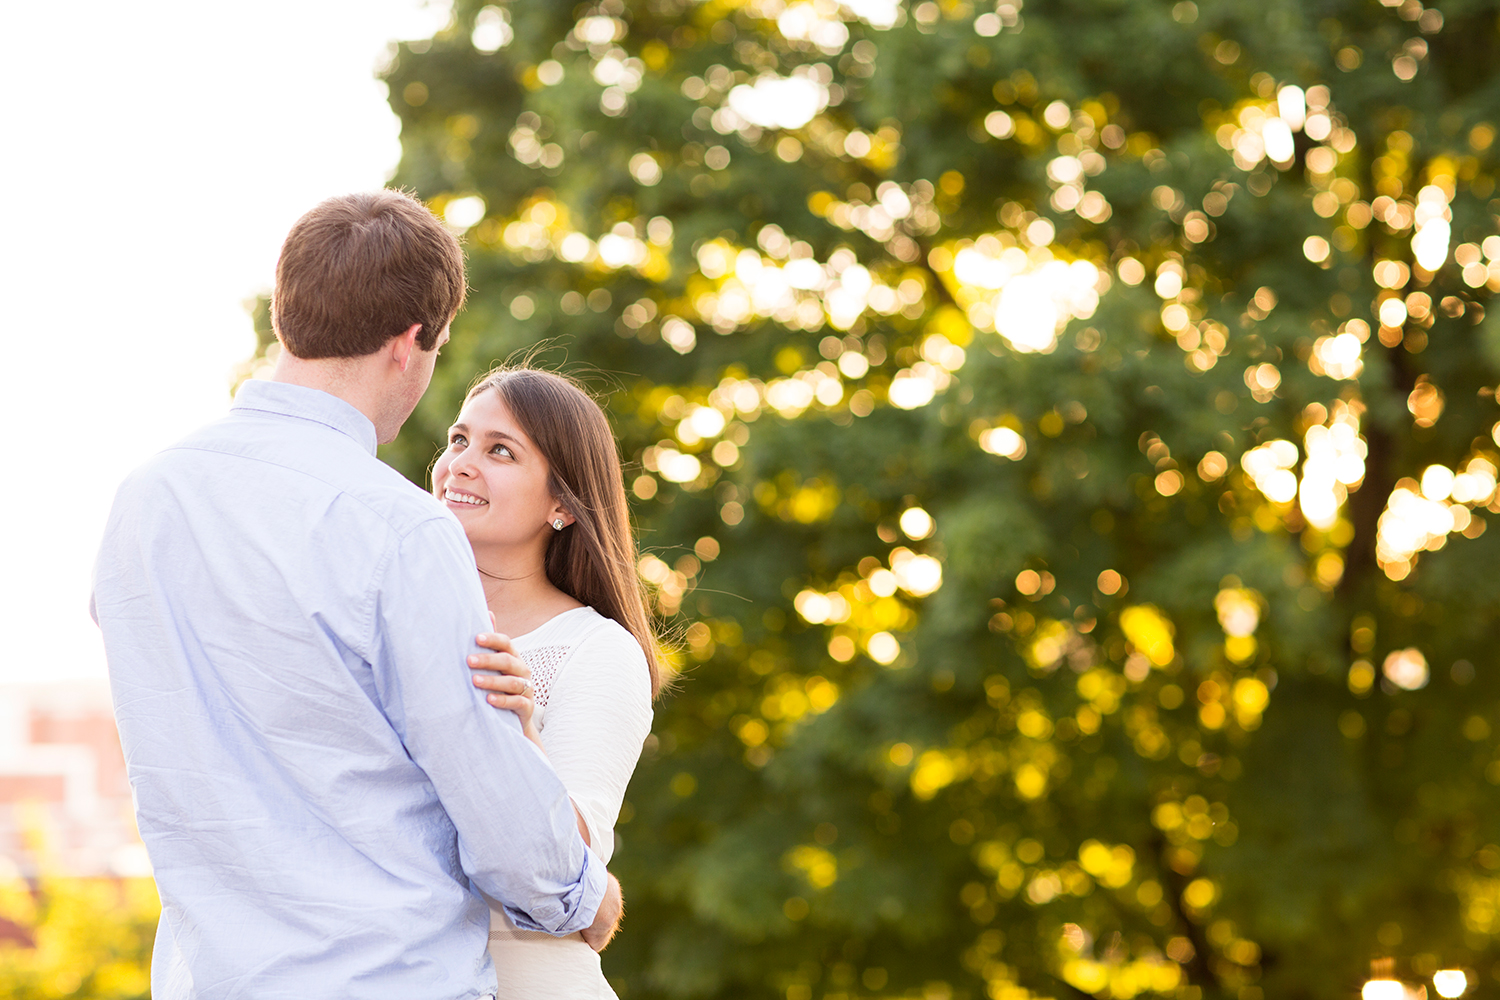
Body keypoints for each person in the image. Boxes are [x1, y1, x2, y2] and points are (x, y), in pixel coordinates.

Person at [91, 190, 621, 1000]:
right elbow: (488, 795)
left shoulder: (145, 500)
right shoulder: (400, 529)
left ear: (286, 312)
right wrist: (585, 895)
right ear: (410, 342)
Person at [433, 367, 662, 1000]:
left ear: (562, 503)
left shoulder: (598, 651)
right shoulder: (392, 624)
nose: (462, 463)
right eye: (458, 440)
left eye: (499, 450)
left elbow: (573, 868)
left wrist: (520, 730)